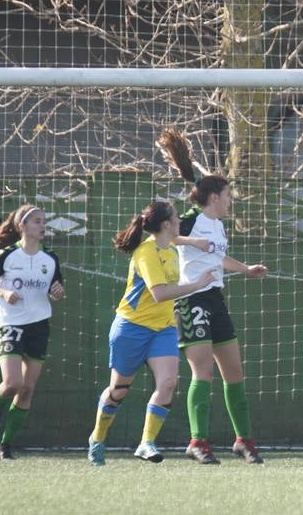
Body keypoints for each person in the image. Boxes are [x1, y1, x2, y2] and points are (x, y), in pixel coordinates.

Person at [157, 129, 270, 465]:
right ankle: (198, 441)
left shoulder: (218, 226)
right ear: (215, 197)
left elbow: (217, 258)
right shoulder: (191, 220)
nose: (230, 199)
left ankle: (243, 441)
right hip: (191, 302)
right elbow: (165, 238)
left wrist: (245, 268)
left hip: (216, 300)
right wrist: (193, 243)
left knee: (234, 373)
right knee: (201, 372)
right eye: (228, 194)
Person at [87, 200, 215, 466]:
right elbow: (159, 294)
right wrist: (197, 285)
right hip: (131, 327)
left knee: (168, 383)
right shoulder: (146, 253)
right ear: (166, 224)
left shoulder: (168, 247)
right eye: (176, 217)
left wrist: (194, 242)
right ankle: (97, 438)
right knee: (119, 390)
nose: (180, 220)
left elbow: (174, 240)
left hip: (164, 329)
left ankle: (146, 443)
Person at [0, 204, 65, 460]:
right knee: (13, 383)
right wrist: (4, 292)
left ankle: (5, 445)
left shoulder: (50, 258)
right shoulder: (7, 255)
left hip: (39, 326)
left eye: (44, 221)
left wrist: (58, 293)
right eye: (37, 221)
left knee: (27, 389)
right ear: (22, 225)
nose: (42, 225)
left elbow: (57, 289)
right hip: (11, 324)